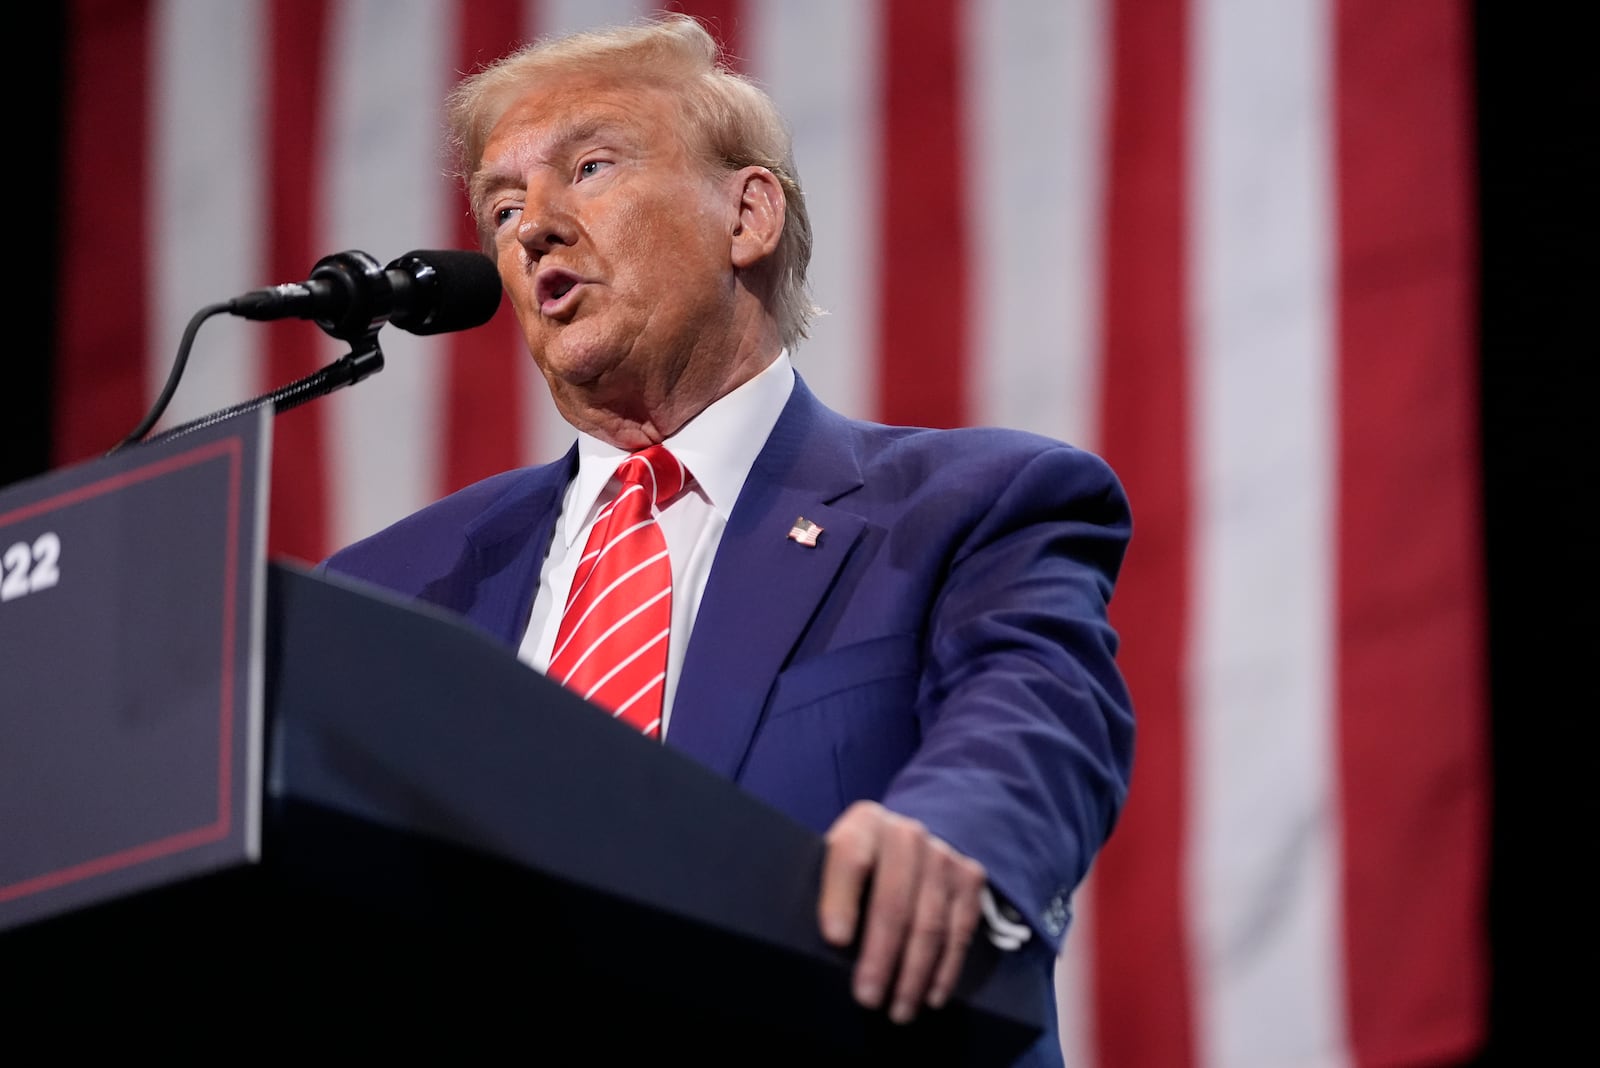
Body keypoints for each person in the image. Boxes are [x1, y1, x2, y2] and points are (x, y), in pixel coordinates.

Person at [322, 13, 1133, 1066]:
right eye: (503, 204)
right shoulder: (390, 589)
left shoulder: (963, 506)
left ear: (746, 215)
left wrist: (953, 837)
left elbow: (1037, 714)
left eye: (592, 166)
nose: (531, 229)